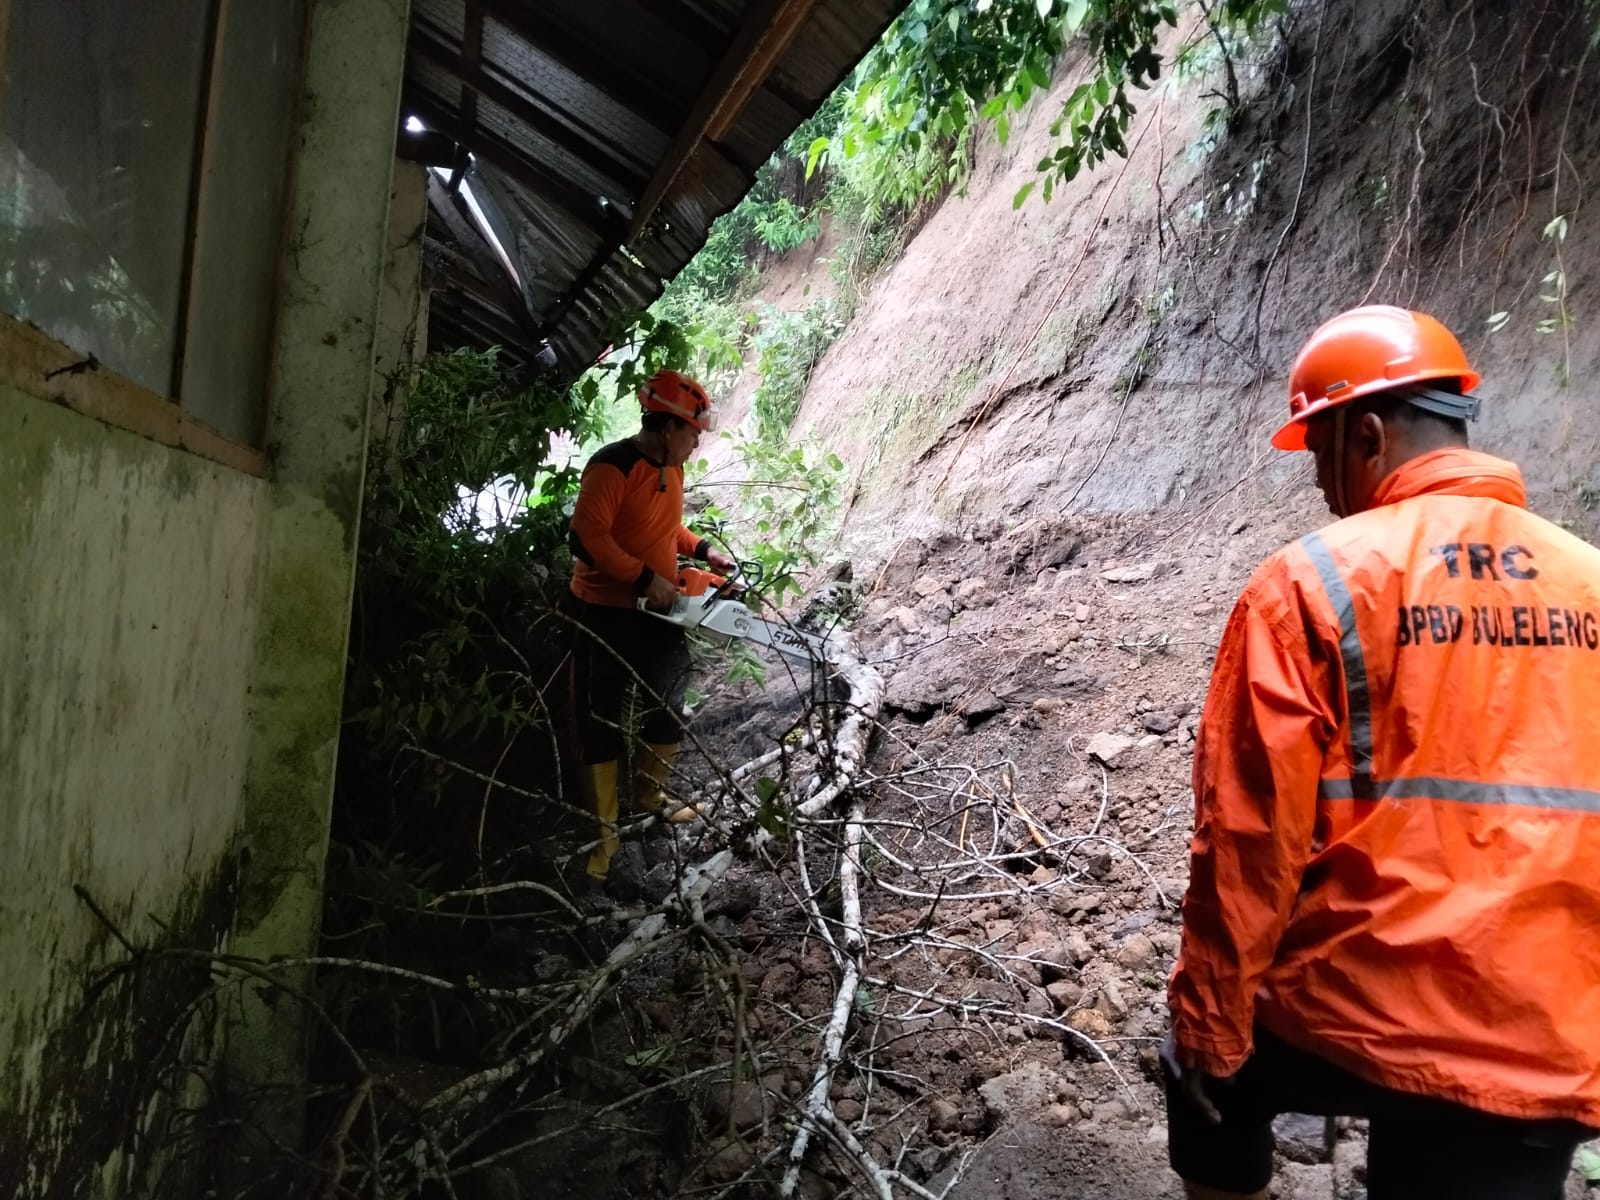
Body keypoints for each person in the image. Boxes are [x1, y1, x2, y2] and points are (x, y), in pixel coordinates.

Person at [1164, 305, 1600, 1200]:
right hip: (1549, 1036)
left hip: (1356, 1012)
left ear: (1366, 435)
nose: (1323, 490)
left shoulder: (1311, 585)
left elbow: (1247, 839)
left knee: (1204, 1074)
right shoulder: (1590, 581)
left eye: (1322, 457)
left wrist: (1208, 1031)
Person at [565, 368, 735, 883]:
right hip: (603, 612)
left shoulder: (671, 468)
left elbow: (663, 525)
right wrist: (643, 578)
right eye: (692, 433)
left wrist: (702, 549)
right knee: (598, 717)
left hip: (658, 610)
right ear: (667, 428)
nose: (696, 443)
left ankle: (648, 798)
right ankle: (604, 833)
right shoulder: (611, 467)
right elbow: (586, 538)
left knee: (670, 697)